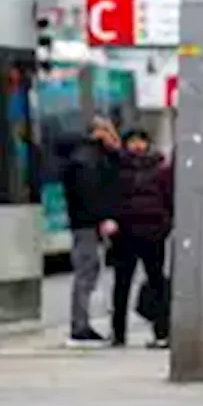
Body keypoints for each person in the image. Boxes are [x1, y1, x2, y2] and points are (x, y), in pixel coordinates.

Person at [110, 129, 173, 349]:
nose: (137, 145)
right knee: (122, 284)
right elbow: (112, 197)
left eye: (140, 141)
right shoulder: (117, 167)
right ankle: (118, 333)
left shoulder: (160, 168)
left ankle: (162, 331)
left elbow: (169, 198)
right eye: (133, 141)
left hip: (152, 232)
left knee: (156, 282)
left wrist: (165, 224)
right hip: (126, 233)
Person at [61, 117, 121, 347]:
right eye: (108, 131)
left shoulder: (91, 156)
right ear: (98, 133)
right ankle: (80, 326)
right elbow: (92, 194)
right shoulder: (88, 160)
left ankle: (81, 323)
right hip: (86, 225)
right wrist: (102, 219)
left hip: (85, 223)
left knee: (88, 272)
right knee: (85, 273)